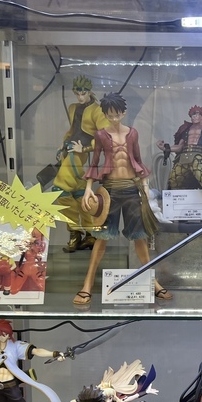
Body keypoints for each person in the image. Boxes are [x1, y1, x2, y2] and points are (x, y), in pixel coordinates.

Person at [76, 92, 171, 304]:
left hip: (131, 189)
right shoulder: (101, 135)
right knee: (101, 238)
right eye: (109, 115)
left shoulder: (132, 133)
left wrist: (145, 188)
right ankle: (87, 283)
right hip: (109, 191)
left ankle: (154, 283)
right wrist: (88, 188)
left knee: (140, 238)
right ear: (105, 114)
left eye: (117, 114)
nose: (114, 118)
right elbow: (95, 162)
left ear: (123, 113)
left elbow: (138, 160)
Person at [53, 75, 110, 252]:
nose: (80, 97)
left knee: (59, 189)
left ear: (89, 91)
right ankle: (90, 234)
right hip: (69, 150)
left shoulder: (97, 111)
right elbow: (73, 129)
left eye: (83, 93)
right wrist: (64, 143)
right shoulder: (73, 108)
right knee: (79, 193)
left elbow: (105, 136)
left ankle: (74, 231)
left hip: (79, 154)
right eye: (77, 93)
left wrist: (84, 148)